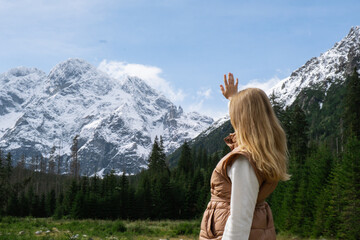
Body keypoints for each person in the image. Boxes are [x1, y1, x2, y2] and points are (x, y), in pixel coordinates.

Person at [199, 73, 290, 240]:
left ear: (241, 119)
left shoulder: (243, 161)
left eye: (235, 114)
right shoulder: (257, 154)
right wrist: (234, 99)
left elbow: (239, 220)